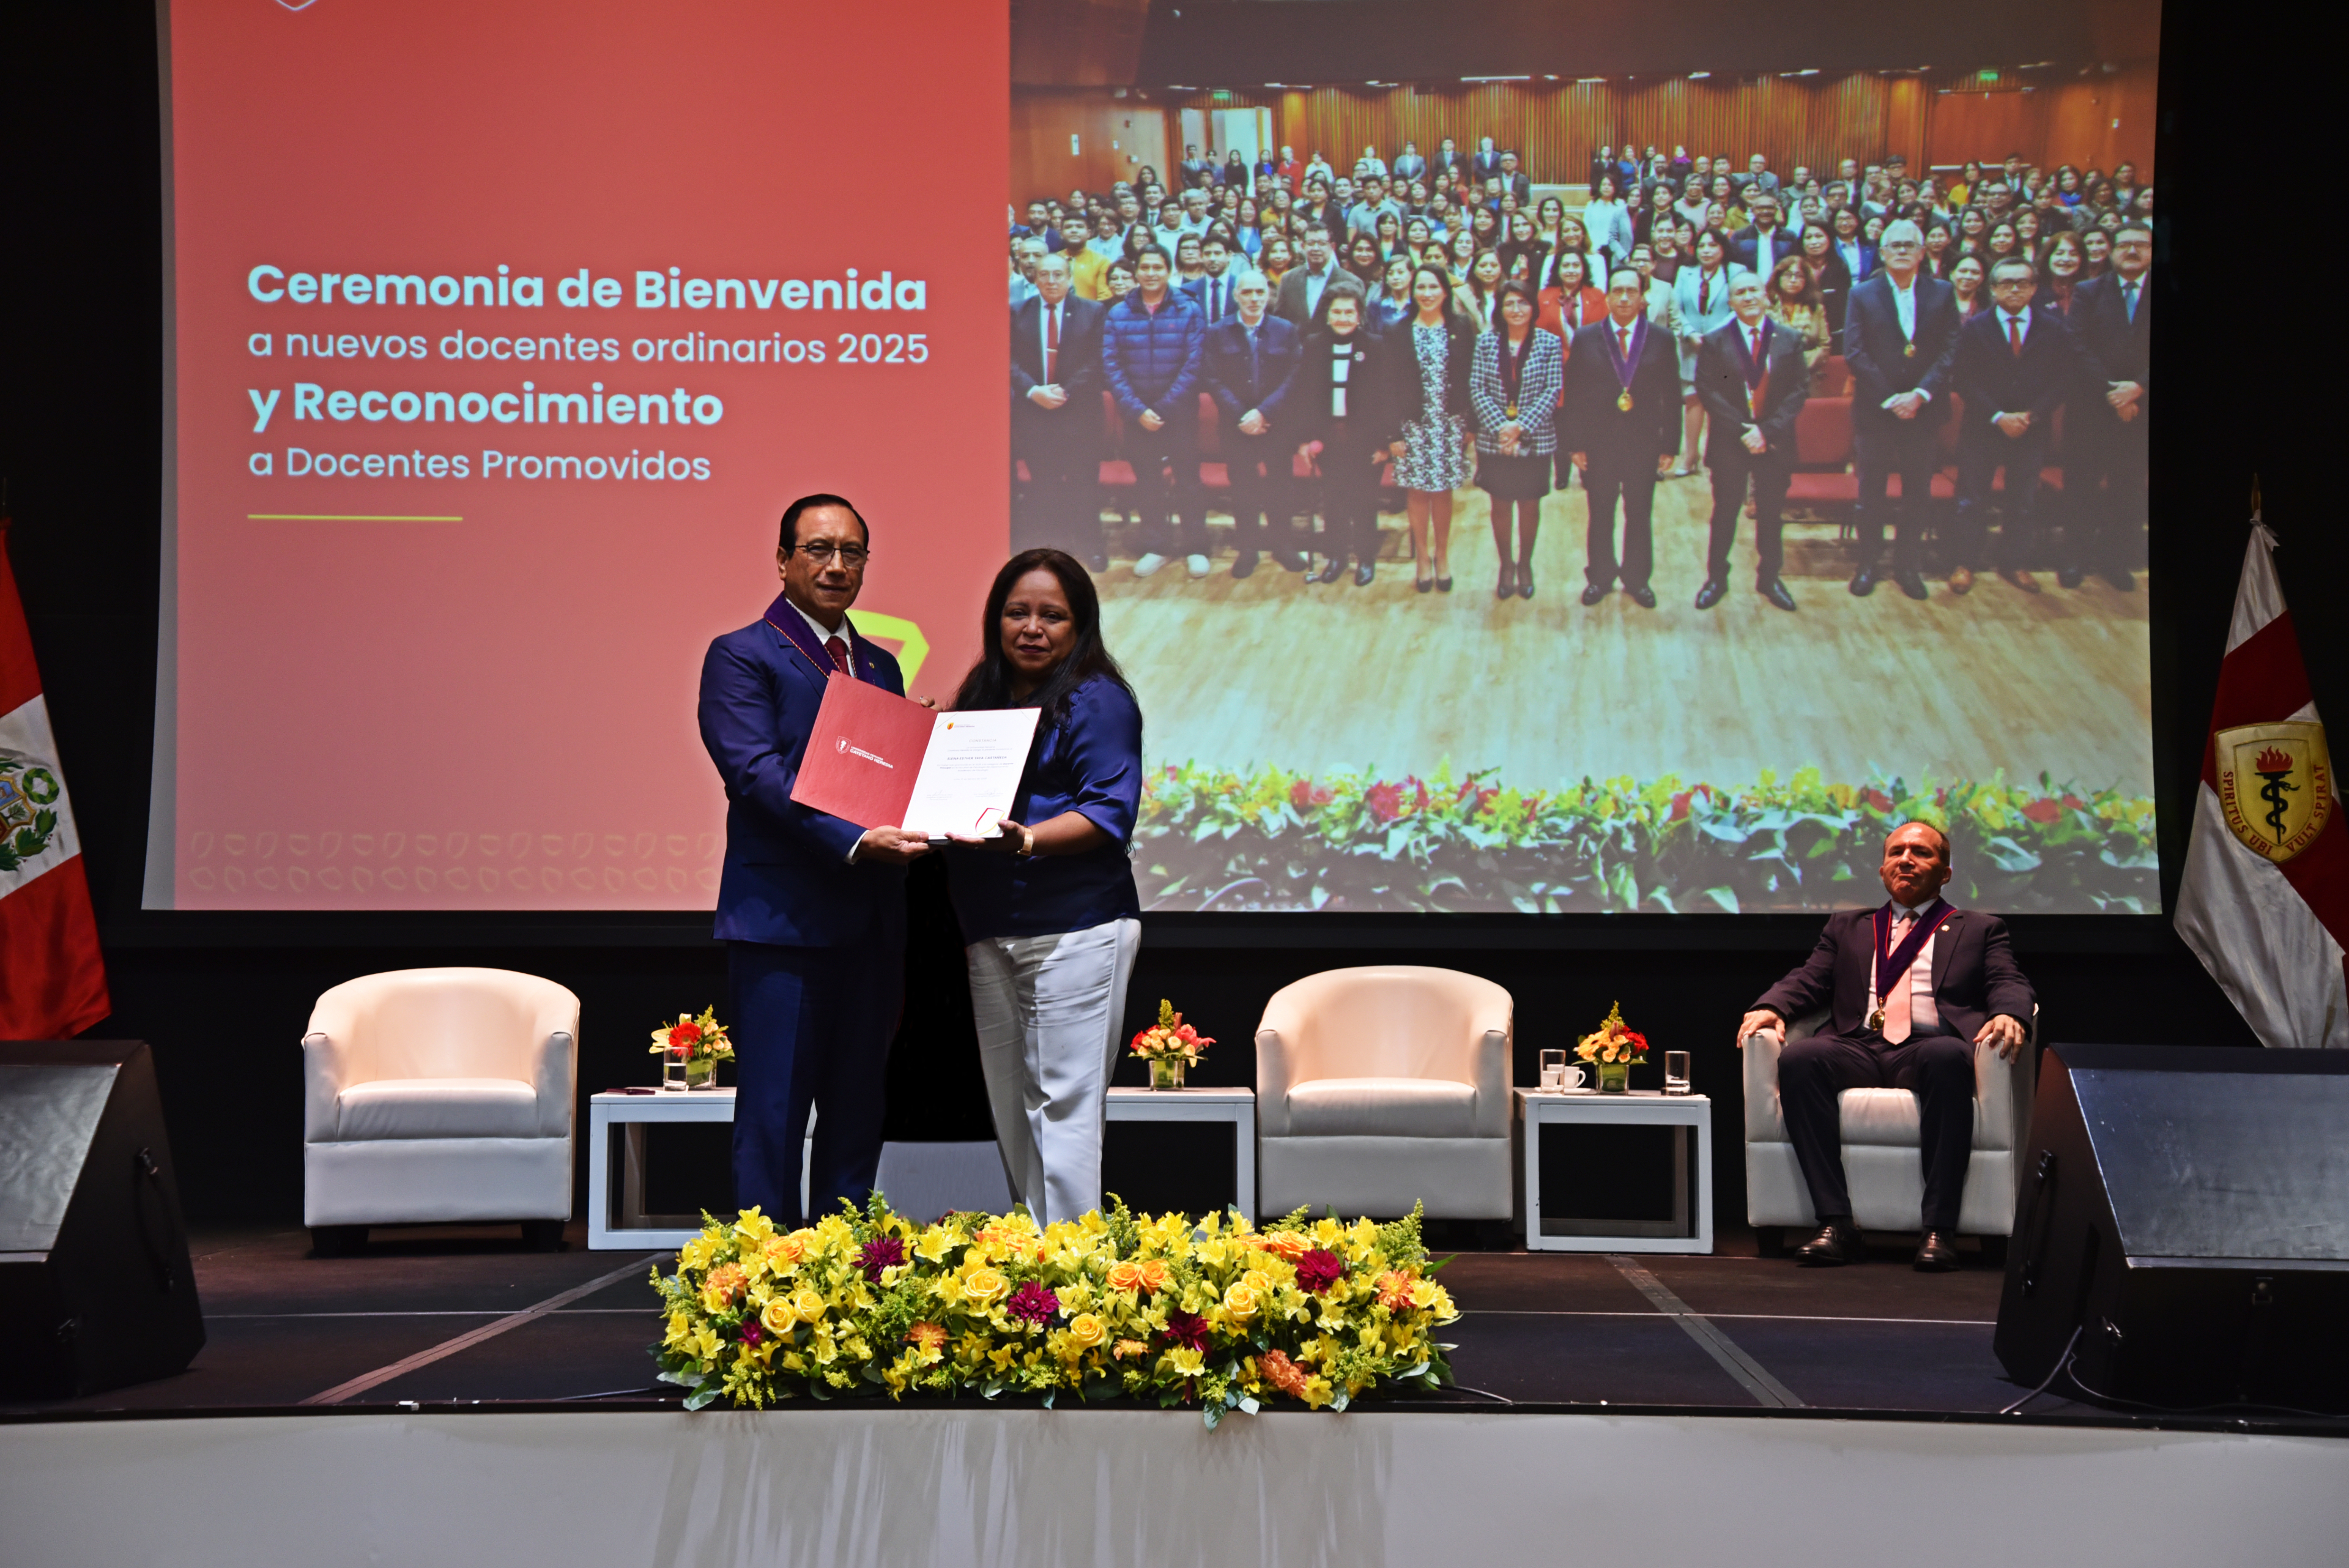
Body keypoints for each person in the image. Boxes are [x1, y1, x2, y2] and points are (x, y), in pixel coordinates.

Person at [698, 494, 929, 1226]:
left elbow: (888, 780)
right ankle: (766, 1283)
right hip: (782, 927)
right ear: (783, 560)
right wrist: (856, 840)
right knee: (774, 1115)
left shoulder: (882, 667)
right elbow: (756, 773)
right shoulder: (741, 654)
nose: (837, 566)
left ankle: (846, 1276)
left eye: (852, 552)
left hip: (870, 926)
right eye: (819, 549)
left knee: (858, 1113)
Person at [945, 551, 1144, 1228]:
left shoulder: (1098, 699)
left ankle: (1074, 1278)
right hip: (989, 927)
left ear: (1079, 624)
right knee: (1011, 1107)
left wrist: (1027, 838)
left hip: (1076, 926)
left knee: (1063, 1107)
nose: (1032, 627)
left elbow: (1109, 812)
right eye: (1017, 612)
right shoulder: (981, 697)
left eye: (1051, 615)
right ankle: (1033, 1267)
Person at [1737, 822, 2036, 1271]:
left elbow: (2007, 979)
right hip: (1859, 1046)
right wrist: (1772, 1005)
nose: (1907, 859)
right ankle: (1836, 1223)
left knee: (1948, 1055)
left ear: (1946, 872)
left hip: (1926, 1047)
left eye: (1922, 853)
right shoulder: (1849, 927)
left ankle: (1939, 1229)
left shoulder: (1979, 928)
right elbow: (1810, 977)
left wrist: (2010, 1013)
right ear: (1882, 869)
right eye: (1897, 851)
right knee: (1800, 1057)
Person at [1842, 218, 1958, 601]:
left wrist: (1920, 394)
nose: (1904, 250)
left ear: (1923, 253)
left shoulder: (1942, 293)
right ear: (1884, 252)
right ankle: (1868, 565)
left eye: (1911, 244)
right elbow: (1854, 352)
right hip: (1878, 410)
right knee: (1870, 493)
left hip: (1923, 410)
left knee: (1917, 495)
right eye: (1896, 245)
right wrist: (1892, 396)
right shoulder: (1862, 294)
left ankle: (1908, 567)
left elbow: (1950, 349)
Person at [1564, 267, 1682, 608]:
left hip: (1643, 443)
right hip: (1598, 443)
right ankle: (1600, 577)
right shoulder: (1587, 337)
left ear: (1643, 297)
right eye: (1618, 291)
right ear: (1608, 296)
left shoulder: (1661, 339)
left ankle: (1637, 578)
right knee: (1600, 511)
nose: (1625, 298)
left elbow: (1672, 396)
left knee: (1640, 512)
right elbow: (1574, 395)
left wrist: (1669, 444)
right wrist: (1575, 444)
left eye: (1632, 291)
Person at [1693, 273, 1808, 612]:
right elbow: (1708, 389)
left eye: (1753, 290)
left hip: (1774, 441)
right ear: (1730, 301)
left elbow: (1799, 390)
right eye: (1739, 293)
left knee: (1771, 513)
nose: (1748, 297)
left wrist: (1766, 431)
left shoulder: (1789, 339)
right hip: (1731, 439)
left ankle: (1770, 577)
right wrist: (1744, 429)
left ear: (1766, 296)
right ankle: (1717, 578)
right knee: (1725, 511)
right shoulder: (1716, 341)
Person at [1102, 244, 1210, 580]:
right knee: (1147, 482)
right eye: (1145, 267)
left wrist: (1161, 408)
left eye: (1157, 267)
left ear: (1169, 271)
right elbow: (1111, 365)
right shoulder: (1119, 313)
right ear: (1137, 273)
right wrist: (1138, 410)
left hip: (1178, 413)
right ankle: (1157, 545)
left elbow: (1194, 364)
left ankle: (1197, 547)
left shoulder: (1189, 309)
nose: (1151, 273)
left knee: (1188, 482)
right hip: (1137, 417)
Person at [2062, 220, 2150, 592]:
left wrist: (2138, 388)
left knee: (2127, 489)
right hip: (2091, 408)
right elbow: (2076, 343)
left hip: (2142, 410)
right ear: (2111, 251)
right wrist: (2114, 391)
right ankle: (2074, 559)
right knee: (2081, 485)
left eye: (2141, 245)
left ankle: (2116, 560)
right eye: (2125, 244)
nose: (2132, 250)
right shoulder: (2088, 291)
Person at [1203, 271, 1306, 576]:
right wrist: (1241, 415)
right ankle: (1248, 549)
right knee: (1243, 488)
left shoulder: (1285, 330)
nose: (1254, 299)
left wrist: (1264, 412)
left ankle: (1283, 544)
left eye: (1260, 292)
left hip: (1275, 424)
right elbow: (1211, 378)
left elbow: (1294, 375)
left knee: (1280, 486)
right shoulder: (1217, 332)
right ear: (1236, 295)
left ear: (1269, 295)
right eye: (1247, 292)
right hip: (1236, 427)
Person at [1387, 264, 1477, 593]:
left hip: (1450, 423)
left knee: (1442, 490)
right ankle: (1422, 558)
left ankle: (1442, 555)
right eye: (1420, 287)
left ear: (1445, 291)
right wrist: (1392, 434)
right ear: (1412, 291)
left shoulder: (1461, 326)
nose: (1426, 294)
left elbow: (1471, 378)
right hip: (1412, 424)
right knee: (1417, 491)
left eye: (1433, 287)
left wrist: (1473, 424)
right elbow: (1388, 387)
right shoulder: (1397, 331)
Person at [1471, 280, 1563, 600]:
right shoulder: (1485, 342)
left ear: (1533, 308)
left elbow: (1552, 390)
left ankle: (1526, 564)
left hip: (1535, 437)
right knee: (1500, 502)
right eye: (1509, 303)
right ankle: (1506, 564)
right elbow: (1477, 389)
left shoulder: (1549, 343)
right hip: (1494, 439)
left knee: (1529, 502)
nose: (1516, 309)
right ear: (1500, 308)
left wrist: (1520, 427)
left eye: (1523, 303)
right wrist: (1503, 428)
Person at [1012, 253, 1107, 561]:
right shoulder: (1017, 312)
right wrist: (1032, 389)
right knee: (1044, 486)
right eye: (1044, 275)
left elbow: (1097, 360)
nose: (1051, 281)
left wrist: (1065, 391)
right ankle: (1049, 549)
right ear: (1035, 279)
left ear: (1069, 278)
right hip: (1035, 414)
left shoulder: (1093, 312)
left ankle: (1090, 547)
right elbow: (1006, 359)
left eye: (1057, 275)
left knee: (1084, 484)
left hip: (1079, 414)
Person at [1296, 283, 1392, 585]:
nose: (1343, 318)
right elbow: (1305, 395)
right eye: (1337, 312)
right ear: (1327, 316)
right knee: (1334, 501)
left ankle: (1365, 559)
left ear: (1360, 315)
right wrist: (1305, 441)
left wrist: (1384, 444)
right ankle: (1335, 558)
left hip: (1365, 441)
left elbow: (1386, 400)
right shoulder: (1313, 344)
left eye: (1349, 312)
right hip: (1328, 439)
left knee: (1364, 501)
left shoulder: (1375, 345)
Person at [1671, 229, 1740, 478]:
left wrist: (1713, 337)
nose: (1707, 250)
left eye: (1713, 245)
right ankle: (1690, 456)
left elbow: (1737, 308)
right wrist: (1690, 333)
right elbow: (1676, 308)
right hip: (1691, 345)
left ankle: (1719, 456)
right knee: (1693, 399)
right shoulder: (1685, 273)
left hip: (1724, 345)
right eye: (1702, 246)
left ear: (1722, 249)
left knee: (1723, 400)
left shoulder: (1736, 272)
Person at [1765, 253, 1831, 387]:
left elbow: (1824, 346)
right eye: (1789, 275)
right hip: (1773, 378)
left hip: (1809, 376)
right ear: (1778, 277)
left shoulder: (1816, 309)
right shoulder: (1765, 309)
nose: (1793, 280)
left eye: (1799, 276)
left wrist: (1800, 364)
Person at [1274, 228, 1343, 327]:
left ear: (1332, 246)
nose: (1316, 248)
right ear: (1303, 246)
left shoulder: (1349, 281)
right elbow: (1280, 320)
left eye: (1322, 244)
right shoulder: (1289, 279)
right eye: (1311, 243)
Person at [1731, 190, 1798, 275]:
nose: (1765, 211)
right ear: (1753, 211)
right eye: (1760, 208)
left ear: (1776, 210)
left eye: (1770, 208)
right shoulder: (1740, 236)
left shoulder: (1789, 237)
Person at [1584, 174, 1635, 277]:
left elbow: (1624, 230)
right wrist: (1592, 248)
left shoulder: (1621, 205)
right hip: (1596, 248)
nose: (1606, 187)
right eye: (1604, 185)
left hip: (1614, 249)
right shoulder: (1591, 205)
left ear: (1615, 188)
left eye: (1610, 185)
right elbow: (1586, 228)